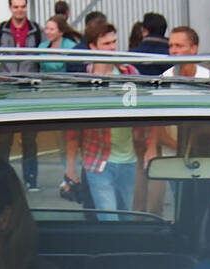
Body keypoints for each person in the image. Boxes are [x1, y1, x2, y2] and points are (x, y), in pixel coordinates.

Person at [63, 23, 153, 219]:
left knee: (126, 218)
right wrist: (70, 167)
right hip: (98, 162)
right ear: (93, 47)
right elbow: (73, 129)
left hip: (128, 160)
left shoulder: (128, 73)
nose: (113, 47)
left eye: (114, 42)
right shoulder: (83, 80)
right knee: (110, 219)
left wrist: (149, 147)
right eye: (106, 43)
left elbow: (147, 113)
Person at [0, 0, 43, 191]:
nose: (20, 10)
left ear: (27, 7)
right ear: (10, 8)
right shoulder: (0, 29)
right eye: (16, 6)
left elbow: (44, 59)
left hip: (29, 89)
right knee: (4, 138)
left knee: (29, 138)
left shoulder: (36, 30)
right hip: (6, 89)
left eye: (23, 6)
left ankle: (31, 179)